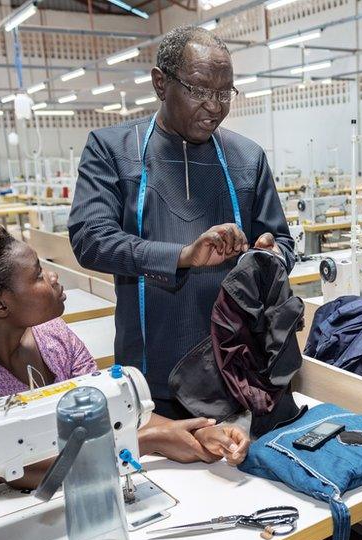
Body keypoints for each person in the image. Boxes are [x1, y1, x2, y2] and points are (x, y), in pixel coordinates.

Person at [0, 226, 249, 489]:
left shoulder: (51, 334)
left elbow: (113, 407)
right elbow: (6, 468)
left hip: (79, 488)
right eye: (39, 274)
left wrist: (195, 431)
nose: (54, 277)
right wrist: (146, 441)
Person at [68, 26, 294, 419]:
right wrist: (182, 255)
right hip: (152, 373)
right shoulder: (113, 150)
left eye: (225, 94)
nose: (214, 106)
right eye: (200, 91)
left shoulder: (247, 158)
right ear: (160, 83)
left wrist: (269, 256)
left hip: (239, 369)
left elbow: (285, 245)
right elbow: (90, 239)